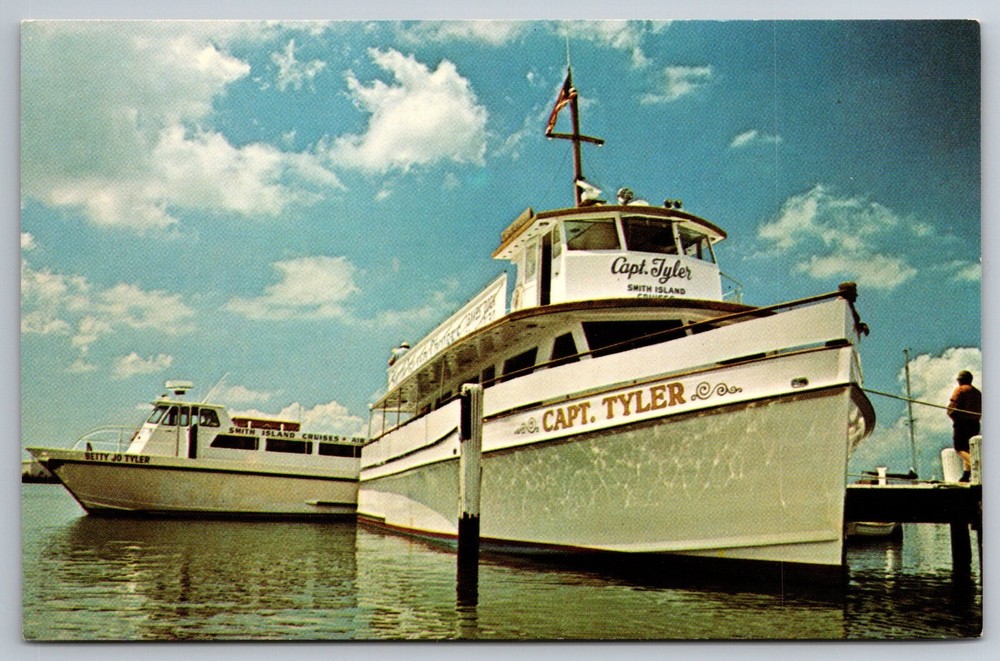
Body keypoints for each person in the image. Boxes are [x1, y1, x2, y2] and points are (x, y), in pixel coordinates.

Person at [947, 370, 982, 482]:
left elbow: (953, 406)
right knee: (968, 448)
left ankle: (977, 466)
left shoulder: (960, 390)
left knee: (960, 448)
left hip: (962, 423)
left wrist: (951, 414)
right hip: (974, 423)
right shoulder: (977, 392)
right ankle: (966, 475)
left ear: (960, 380)